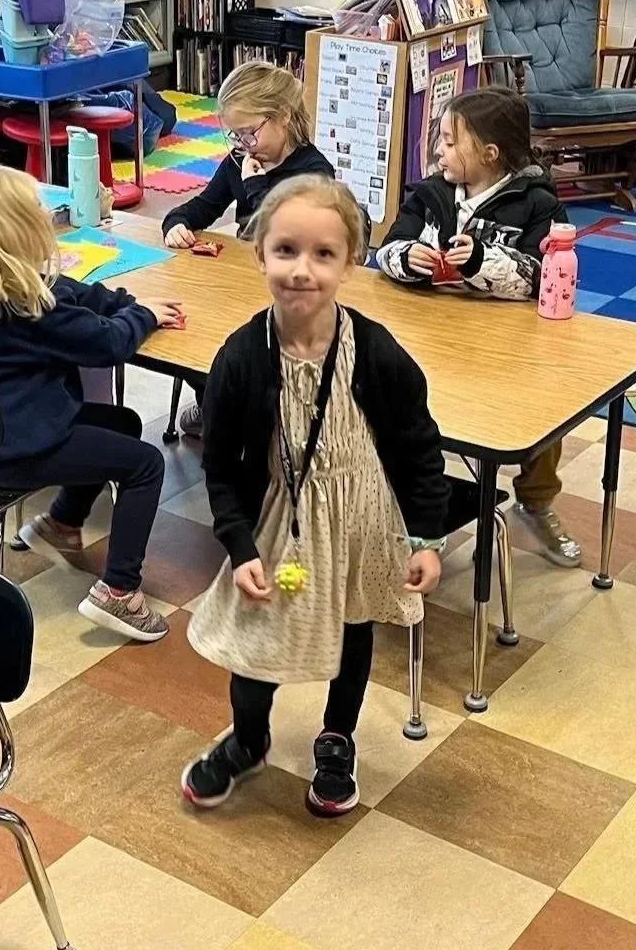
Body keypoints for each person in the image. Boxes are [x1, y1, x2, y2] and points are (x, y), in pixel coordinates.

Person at [182, 174, 449, 815]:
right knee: (256, 637)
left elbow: (418, 443)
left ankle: (337, 738)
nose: (303, 270)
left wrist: (427, 536)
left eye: (323, 255)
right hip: (281, 521)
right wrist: (239, 541)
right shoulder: (242, 357)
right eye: (287, 251)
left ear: (349, 264)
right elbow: (218, 464)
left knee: (354, 629)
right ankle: (248, 741)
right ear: (260, 254)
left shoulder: (375, 351)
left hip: (360, 517)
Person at [0, 160, 180, 643]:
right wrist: (143, 315)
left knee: (122, 423)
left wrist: (121, 302)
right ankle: (120, 593)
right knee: (145, 464)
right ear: (16, 229)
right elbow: (107, 344)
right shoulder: (27, 305)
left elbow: (69, 294)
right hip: (13, 451)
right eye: (37, 210)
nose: (47, 215)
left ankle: (62, 522)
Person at [376, 86, 579, 566]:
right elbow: (383, 251)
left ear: (489, 154)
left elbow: (537, 278)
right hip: (432, 337)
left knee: (547, 406)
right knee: (391, 396)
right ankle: (413, 505)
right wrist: (407, 258)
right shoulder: (429, 195)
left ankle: (537, 501)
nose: (438, 151)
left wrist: (482, 262)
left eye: (449, 142)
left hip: (510, 346)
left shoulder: (538, 204)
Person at [162, 61, 341, 440]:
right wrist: (176, 222)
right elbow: (203, 206)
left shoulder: (314, 171)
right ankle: (215, 400)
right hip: (243, 285)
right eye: (235, 135)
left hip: (292, 295)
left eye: (249, 133)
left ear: (284, 117)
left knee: (260, 350)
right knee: (196, 331)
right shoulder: (240, 161)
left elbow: (283, 235)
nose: (242, 145)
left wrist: (256, 185)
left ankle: (246, 413)